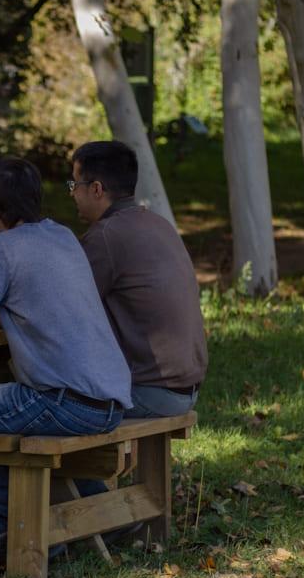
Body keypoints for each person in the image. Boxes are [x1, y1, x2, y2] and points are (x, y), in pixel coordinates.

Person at [0, 156, 132, 571]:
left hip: (62, 400)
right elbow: (2, 306)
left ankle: (25, 527)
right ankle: (92, 510)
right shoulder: (62, 236)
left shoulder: (3, 250)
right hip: (110, 398)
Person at [70, 141, 207, 419]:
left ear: (96, 189)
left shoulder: (105, 236)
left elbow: (64, 309)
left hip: (149, 392)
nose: (72, 194)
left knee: (33, 401)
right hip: (186, 387)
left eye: (74, 185)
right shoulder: (157, 223)